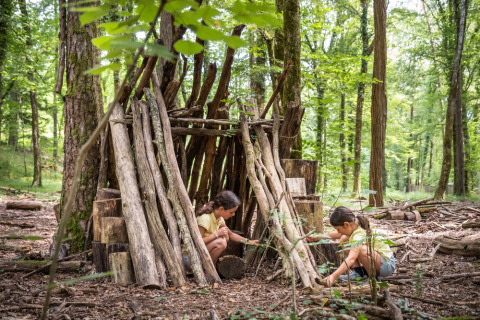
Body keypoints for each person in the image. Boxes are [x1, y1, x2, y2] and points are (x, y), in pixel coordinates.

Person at [307, 206, 395, 287]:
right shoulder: (354, 225)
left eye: (338, 229)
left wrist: (333, 276)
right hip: (378, 261)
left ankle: (373, 279)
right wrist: (318, 237)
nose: (339, 232)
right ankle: (358, 273)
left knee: (362, 250)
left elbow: (351, 258)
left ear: (346, 224)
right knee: (344, 239)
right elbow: (337, 235)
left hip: (386, 265)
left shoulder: (358, 235)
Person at [196, 190, 259, 264]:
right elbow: (197, 242)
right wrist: (217, 234)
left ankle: (208, 267)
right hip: (193, 256)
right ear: (221, 209)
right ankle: (206, 269)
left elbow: (231, 235)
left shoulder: (219, 218)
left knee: (222, 241)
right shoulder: (205, 218)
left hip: (201, 253)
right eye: (231, 212)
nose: (233, 214)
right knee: (221, 242)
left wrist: (249, 242)